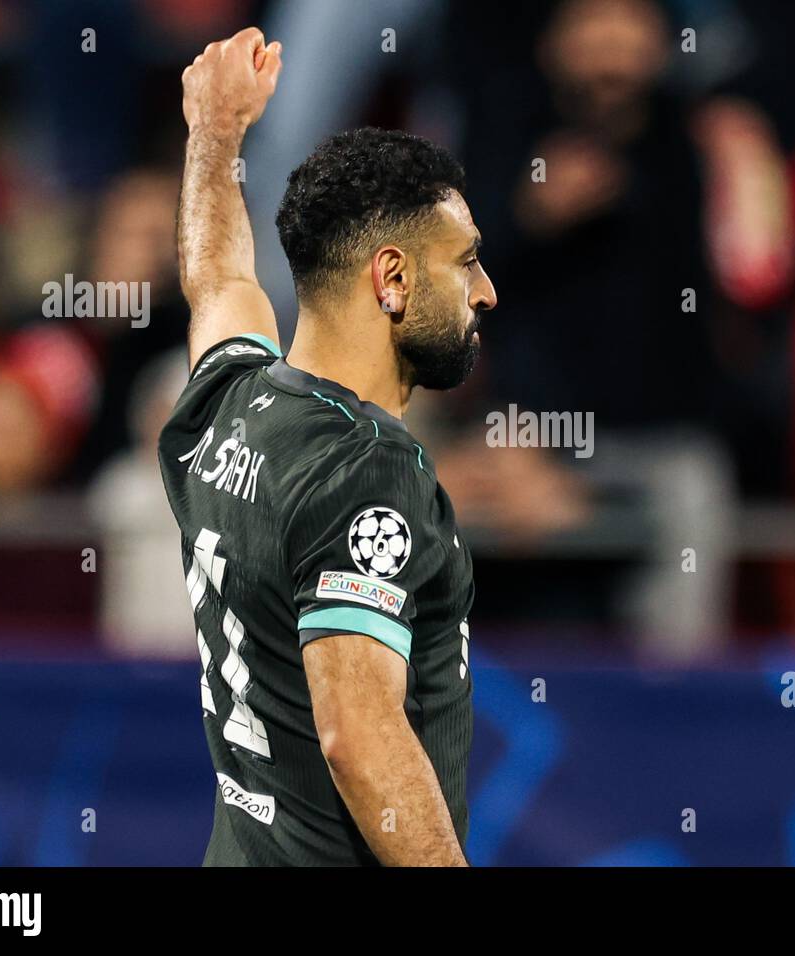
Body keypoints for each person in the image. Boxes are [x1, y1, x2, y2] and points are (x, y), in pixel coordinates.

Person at [159, 28, 496, 866]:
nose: (486, 292)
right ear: (393, 279)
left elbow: (220, 279)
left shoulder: (230, 400)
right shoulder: (367, 468)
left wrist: (214, 133)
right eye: (467, 263)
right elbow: (360, 736)